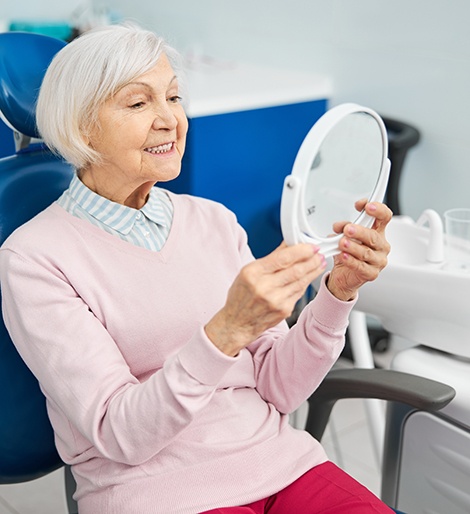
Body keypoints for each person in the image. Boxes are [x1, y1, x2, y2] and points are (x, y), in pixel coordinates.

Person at [0, 23, 393, 514]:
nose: (170, 120)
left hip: (285, 467)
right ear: (83, 128)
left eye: (174, 97)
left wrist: (337, 294)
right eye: (139, 103)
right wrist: (226, 331)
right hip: (157, 493)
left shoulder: (213, 221)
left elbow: (278, 387)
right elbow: (120, 434)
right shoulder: (34, 258)